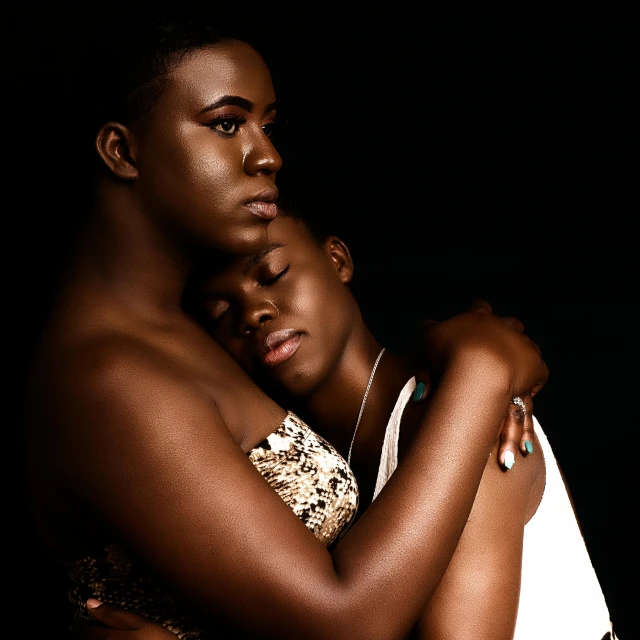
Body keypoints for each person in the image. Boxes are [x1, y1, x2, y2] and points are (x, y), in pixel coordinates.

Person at [23, 14, 547, 640]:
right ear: (122, 151)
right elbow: (346, 622)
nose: (267, 155)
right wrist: (482, 371)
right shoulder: (107, 377)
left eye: (267, 126)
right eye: (226, 123)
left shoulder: (188, 333)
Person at [71, 203, 618, 640]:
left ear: (337, 261)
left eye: (273, 274)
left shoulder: (465, 415)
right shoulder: (307, 475)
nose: (253, 313)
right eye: (219, 312)